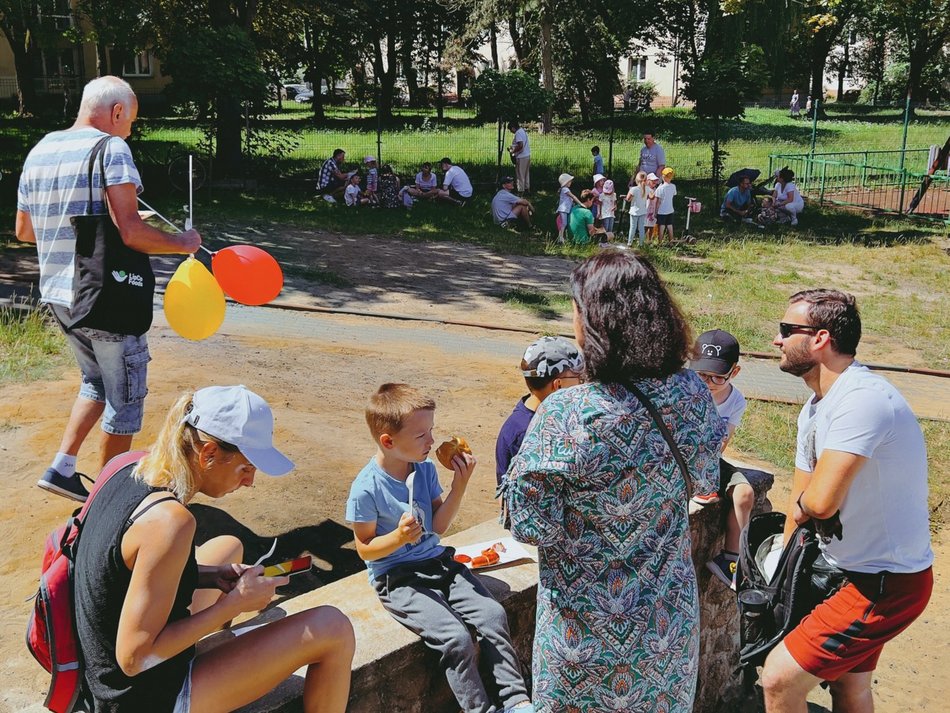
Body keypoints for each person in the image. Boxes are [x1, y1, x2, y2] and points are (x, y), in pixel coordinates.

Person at [505, 251, 725, 712]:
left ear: (596, 322)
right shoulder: (692, 394)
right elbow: (704, 479)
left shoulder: (566, 414)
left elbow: (529, 525)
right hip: (667, 628)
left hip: (583, 636)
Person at [73, 384, 355, 712]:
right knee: (333, 628)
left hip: (95, 669)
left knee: (227, 547)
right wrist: (232, 606)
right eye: (245, 468)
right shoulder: (170, 523)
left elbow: (121, 572)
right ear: (207, 453)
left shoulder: (128, 467)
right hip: (140, 699)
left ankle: (215, 656)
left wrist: (212, 576)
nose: (250, 481)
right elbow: (135, 657)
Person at [16, 76, 201, 503]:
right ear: (116, 112)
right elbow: (132, 232)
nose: (130, 130)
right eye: (130, 121)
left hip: (61, 296)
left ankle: (62, 466)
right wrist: (182, 243)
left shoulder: (41, 149)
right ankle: (104, 504)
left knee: (95, 383)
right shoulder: (111, 149)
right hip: (106, 298)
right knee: (126, 399)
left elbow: (25, 230)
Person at [762, 289, 933, 713]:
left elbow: (818, 503)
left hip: (885, 582)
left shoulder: (862, 399)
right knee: (849, 686)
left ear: (820, 339)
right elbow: (801, 493)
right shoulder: (816, 407)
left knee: (779, 679)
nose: (776, 340)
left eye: (786, 330)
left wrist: (806, 504)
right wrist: (779, 566)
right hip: (853, 573)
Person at [345, 384, 534, 713]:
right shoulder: (366, 488)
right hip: (397, 576)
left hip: (437, 563)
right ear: (388, 441)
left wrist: (459, 485)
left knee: (492, 615)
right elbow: (365, 549)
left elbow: (438, 526)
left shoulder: (424, 469)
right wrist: (398, 539)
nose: (432, 442)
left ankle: (516, 701)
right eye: (421, 436)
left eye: (430, 431)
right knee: (456, 639)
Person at [688, 329, 752, 591]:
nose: (708, 382)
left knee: (745, 495)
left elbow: (723, 443)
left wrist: (707, 475)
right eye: (701, 375)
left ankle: (731, 560)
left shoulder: (735, 400)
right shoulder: (684, 390)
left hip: (710, 459)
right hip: (680, 458)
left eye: (717, 377)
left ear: (734, 373)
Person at [494, 336, 584, 486]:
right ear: (558, 385)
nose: (582, 383)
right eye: (578, 377)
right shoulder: (526, 434)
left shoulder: (544, 417)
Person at [624, 170, 650, 247]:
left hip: (634, 211)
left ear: (637, 179)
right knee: (641, 228)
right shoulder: (647, 189)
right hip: (643, 211)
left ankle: (629, 243)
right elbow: (650, 197)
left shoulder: (633, 189)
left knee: (632, 227)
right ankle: (641, 243)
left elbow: (628, 199)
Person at [556, 173, 582, 244]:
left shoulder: (565, 189)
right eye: (570, 181)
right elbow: (573, 196)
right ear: (566, 182)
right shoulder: (565, 189)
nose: (571, 183)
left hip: (566, 209)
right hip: (563, 209)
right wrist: (580, 203)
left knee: (565, 223)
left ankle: (561, 237)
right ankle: (560, 238)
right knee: (564, 223)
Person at [655, 167, 677, 243]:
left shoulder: (660, 188)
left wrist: (655, 211)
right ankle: (671, 241)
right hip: (670, 210)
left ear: (663, 176)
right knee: (670, 225)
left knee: (662, 226)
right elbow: (673, 195)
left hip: (661, 211)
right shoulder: (673, 186)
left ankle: (660, 242)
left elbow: (658, 201)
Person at [507, 120, 531, 193]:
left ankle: (520, 191)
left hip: (521, 157)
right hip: (527, 155)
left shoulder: (518, 133)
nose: (511, 131)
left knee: (520, 175)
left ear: (513, 128)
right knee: (526, 174)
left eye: (510, 129)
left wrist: (512, 151)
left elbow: (520, 145)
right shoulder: (522, 131)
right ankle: (527, 189)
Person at [645, 172, 660, 242]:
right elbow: (651, 197)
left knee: (651, 225)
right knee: (645, 225)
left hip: (653, 210)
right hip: (646, 210)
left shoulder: (655, 189)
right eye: (652, 180)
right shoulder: (646, 189)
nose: (654, 182)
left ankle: (649, 240)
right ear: (648, 181)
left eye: (655, 180)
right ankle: (643, 239)